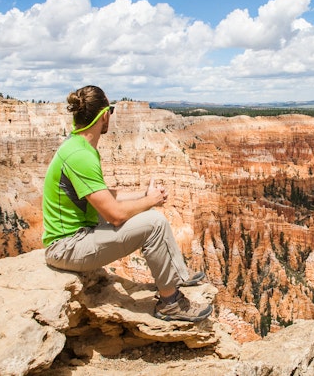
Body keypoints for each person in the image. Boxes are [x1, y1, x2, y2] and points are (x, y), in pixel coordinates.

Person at [42, 85, 212, 322]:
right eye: (110, 109)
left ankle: (177, 276)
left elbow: (105, 195)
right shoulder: (80, 155)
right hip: (67, 246)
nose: (110, 115)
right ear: (103, 115)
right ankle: (170, 304)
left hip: (75, 236)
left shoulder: (77, 146)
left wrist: (143, 194)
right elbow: (115, 215)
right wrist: (150, 202)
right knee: (153, 222)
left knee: (149, 213)